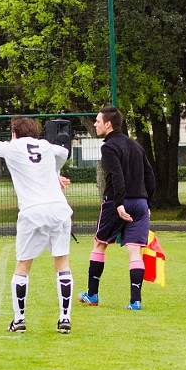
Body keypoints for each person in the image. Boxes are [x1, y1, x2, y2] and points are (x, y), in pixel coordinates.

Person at [0, 117, 74, 334]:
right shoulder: (47, 146)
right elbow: (65, 153)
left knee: (23, 265)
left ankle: (19, 320)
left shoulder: (11, 147)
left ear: (13, 133)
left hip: (32, 212)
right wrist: (56, 174)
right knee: (62, 262)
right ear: (36, 133)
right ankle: (64, 318)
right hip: (59, 209)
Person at [78, 106, 156, 310]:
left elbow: (116, 176)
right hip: (140, 203)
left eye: (97, 121)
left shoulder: (108, 147)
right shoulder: (137, 147)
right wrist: (148, 203)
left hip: (116, 202)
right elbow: (150, 177)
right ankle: (135, 301)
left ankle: (92, 295)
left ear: (108, 123)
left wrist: (120, 203)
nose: (95, 124)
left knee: (99, 244)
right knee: (135, 252)